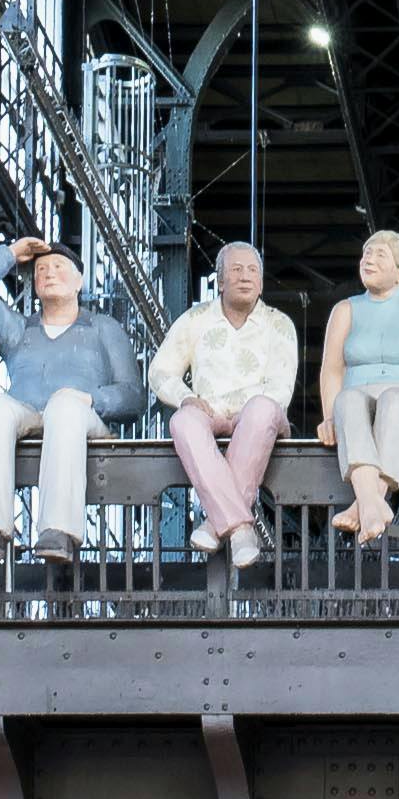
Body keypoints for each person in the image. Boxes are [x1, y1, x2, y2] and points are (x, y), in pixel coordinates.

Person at [0, 229, 150, 568]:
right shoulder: (19, 330)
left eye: (59, 267)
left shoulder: (104, 328)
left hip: (82, 417)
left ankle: (58, 529)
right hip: (29, 413)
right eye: (42, 270)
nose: (48, 274)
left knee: (64, 406)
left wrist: (90, 398)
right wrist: (11, 253)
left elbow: (133, 396)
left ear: (79, 283)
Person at [145, 240, 301, 570]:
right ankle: (241, 527)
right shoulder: (195, 319)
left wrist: (250, 407)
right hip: (210, 408)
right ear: (220, 279)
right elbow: (160, 371)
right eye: (236, 269)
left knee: (261, 409)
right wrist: (185, 397)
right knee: (183, 421)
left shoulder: (279, 323)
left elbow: (280, 388)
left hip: (260, 413)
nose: (245, 277)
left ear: (261, 281)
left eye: (253, 271)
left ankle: (215, 523)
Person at [314, 226, 399, 546]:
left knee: (394, 400)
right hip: (358, 395)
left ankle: (365, 502)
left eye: (380, 254)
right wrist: (329, 417)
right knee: (346, 401)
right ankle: (373, 505)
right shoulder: (345, 310)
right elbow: (332, 369)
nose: (369, 259)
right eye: (366, 253)